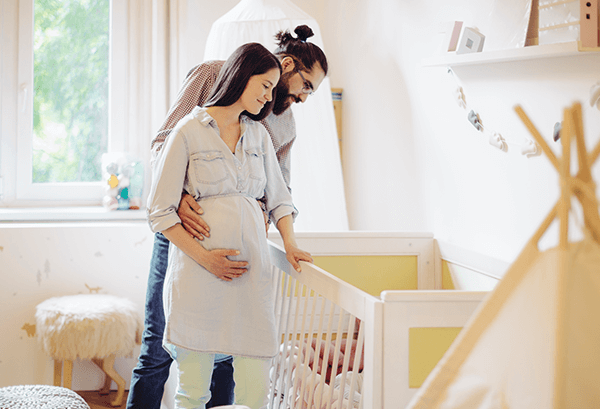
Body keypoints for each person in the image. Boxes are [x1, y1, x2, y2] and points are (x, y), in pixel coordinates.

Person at [127, 25, 328, 409]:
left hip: (243, 257)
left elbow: (279, 191)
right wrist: (180, 197)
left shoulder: (274, 126)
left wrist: (285, 239)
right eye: (306, 86)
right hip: (187, 236)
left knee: (231, 358)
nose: (302, 97)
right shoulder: (206, 84)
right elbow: (162, 149)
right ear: (286, 66)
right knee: (160, 345)